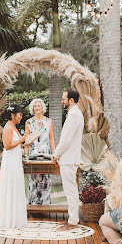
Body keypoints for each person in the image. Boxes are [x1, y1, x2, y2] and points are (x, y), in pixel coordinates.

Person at [53, 89, 84, 230]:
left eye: (63, 99)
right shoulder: (75, 113)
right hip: (70, 157)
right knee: (71, 190)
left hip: (69, 158)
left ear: (71, 100)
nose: (62, 101)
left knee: (70, 190)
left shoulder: (74, 114)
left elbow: (66, 139)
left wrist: (56, 154)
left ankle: (73, 221)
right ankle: (73, 219)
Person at [0, 104, 27, 228]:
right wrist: (21, 140)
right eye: (20, 114)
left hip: (15, 160)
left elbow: (16, 143)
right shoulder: (8, 128)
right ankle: (8, 220)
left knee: (15, 187)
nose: (21, 117)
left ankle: (15, 218)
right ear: (13, 115)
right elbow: (7, 146)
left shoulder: (13, 127)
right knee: (10, 187)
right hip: (10, 162)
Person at [25, 98, 55, 205]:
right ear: (32, 109)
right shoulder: (28, 122)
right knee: (33, 178)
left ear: (42, 107)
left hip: (46, 152)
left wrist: (54, 153)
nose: (37, 108)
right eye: (35, 106)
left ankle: (45, 204)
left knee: (45, 178)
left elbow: (51, 138)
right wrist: (26, 154)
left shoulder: (49, 121)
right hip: (33, 153)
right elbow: (27, 140)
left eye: (39, 106)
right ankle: (33, 203)